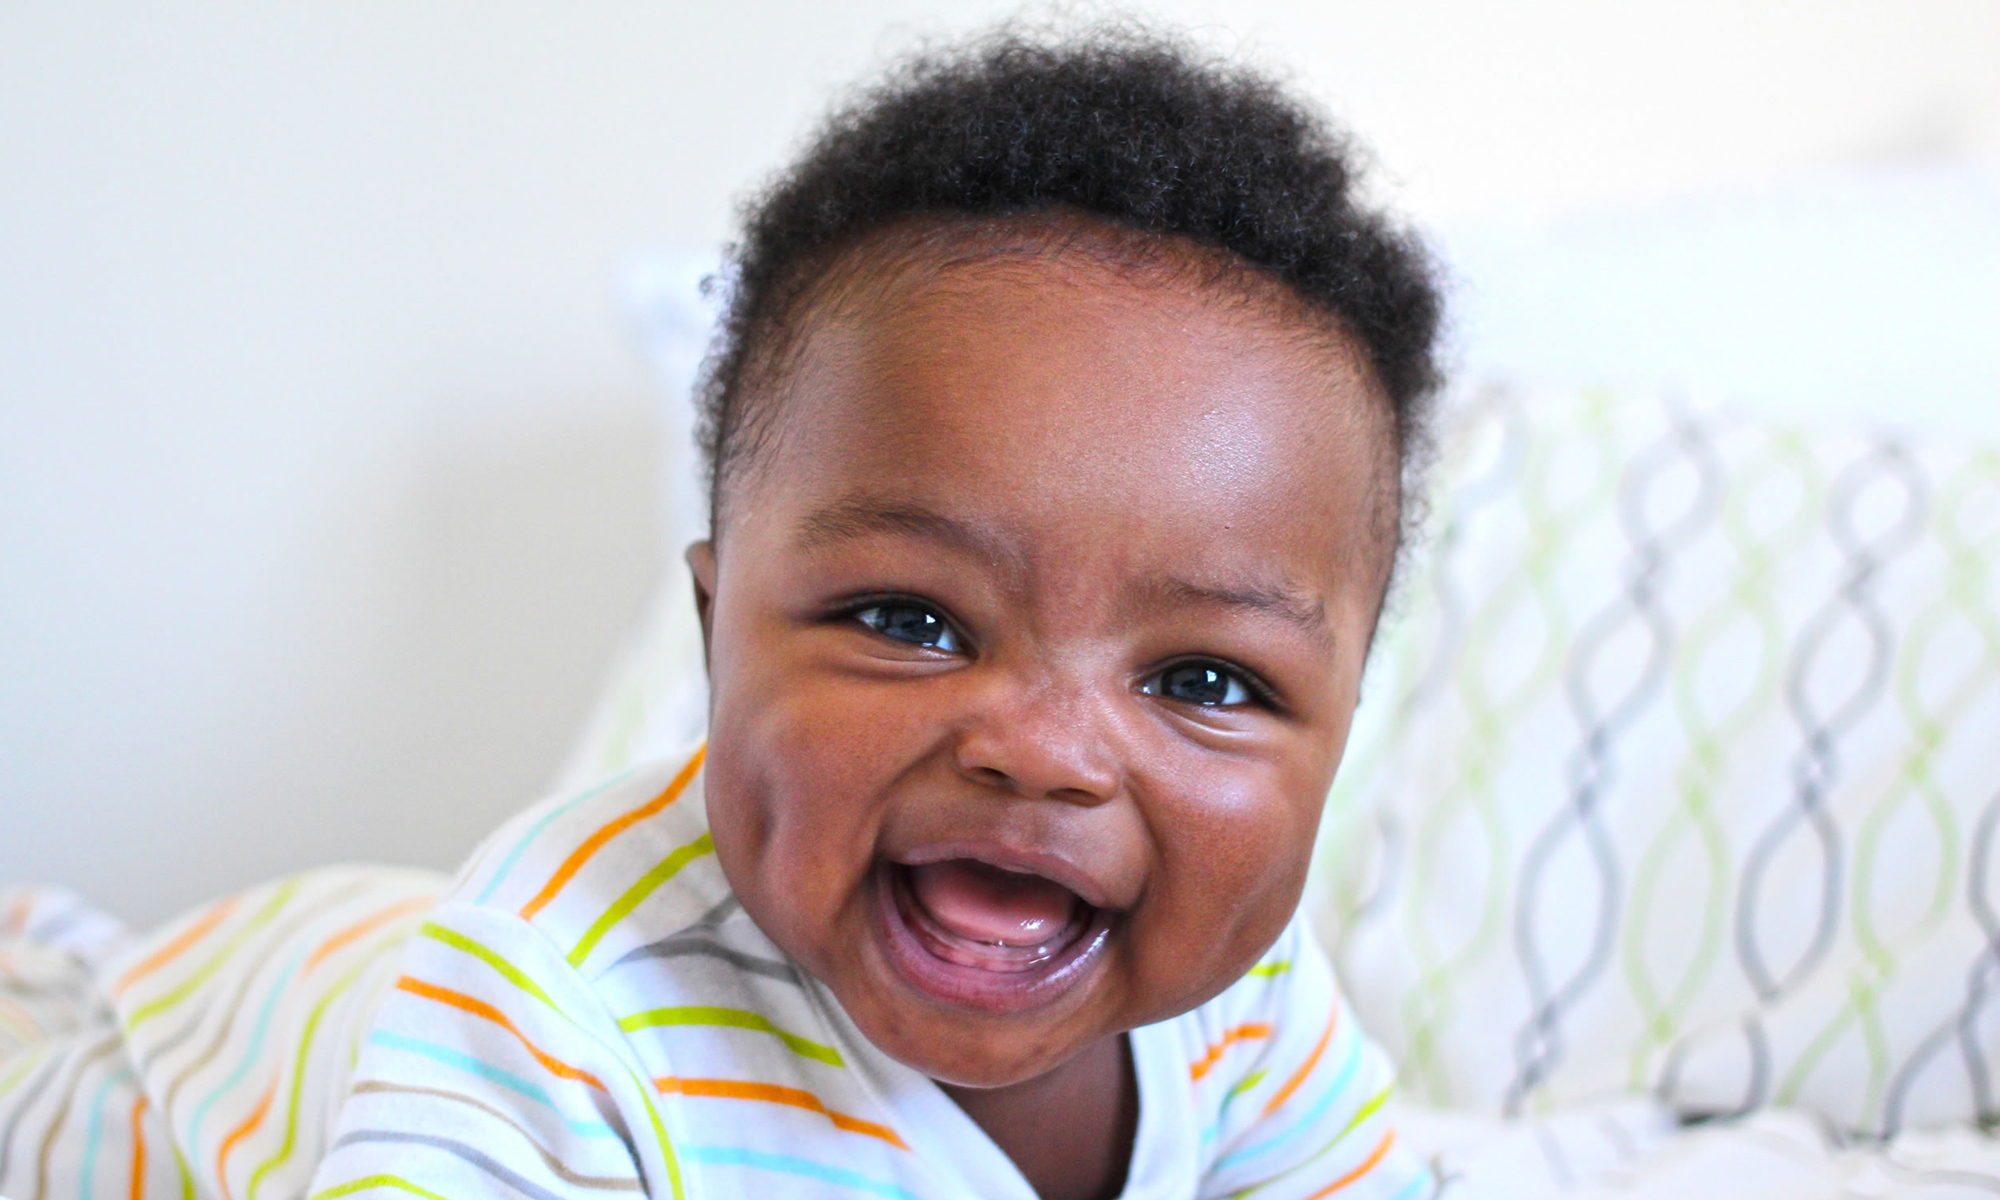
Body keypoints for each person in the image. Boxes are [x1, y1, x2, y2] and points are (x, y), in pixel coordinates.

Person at [0, 25, 1442, 1200]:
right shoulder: (548, 1013)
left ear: (1342, 731)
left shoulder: (1243, 1008)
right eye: (914, 619)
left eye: (1204, 679)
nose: (1046, 750)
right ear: (714, 630)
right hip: (221, 1042)